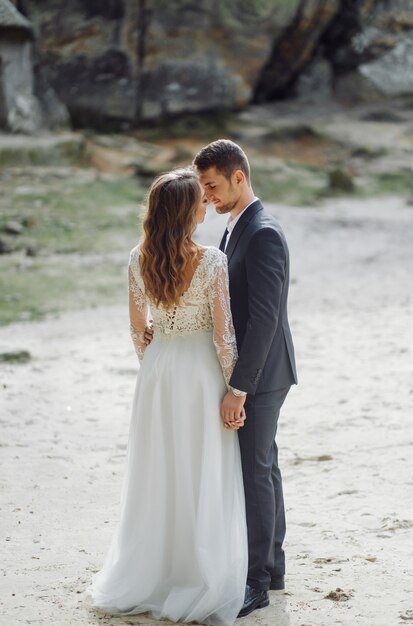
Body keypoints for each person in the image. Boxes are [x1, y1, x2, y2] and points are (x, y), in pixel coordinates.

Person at [86, 168, 248, 626]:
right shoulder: (212, 261)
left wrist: (154, 362)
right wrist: (235, 389)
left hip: (158, 372)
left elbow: (139, 330)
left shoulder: (138, 259)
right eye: (199, 200)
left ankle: (152, 572)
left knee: (158, 469)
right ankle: (197, 573)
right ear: (185, 212)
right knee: (201, 468)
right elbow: (224, 336)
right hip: (200, 374)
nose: (205, 206)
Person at [193, 139, 298, 618]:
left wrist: (239, 389)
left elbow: (264, 320)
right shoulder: (235, 228)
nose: (208, 196)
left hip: (261, 374)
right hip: (257, 371)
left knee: (254, 471)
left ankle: (256, 581)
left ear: (239, 177)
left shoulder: (264, 234)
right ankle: (272, 567)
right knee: (264, 465)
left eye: (212, 186)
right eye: (203, 189)